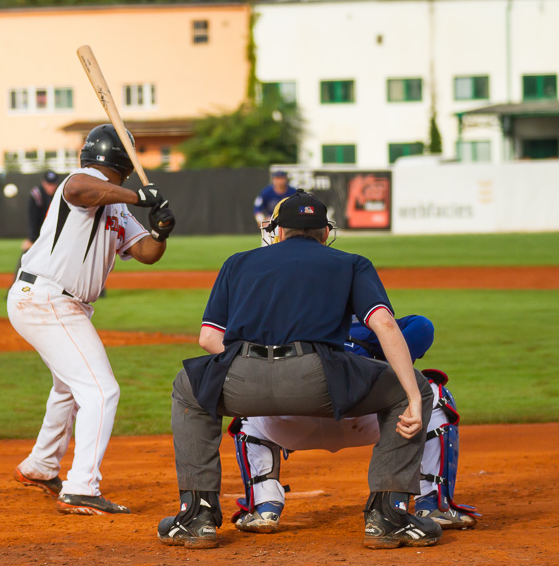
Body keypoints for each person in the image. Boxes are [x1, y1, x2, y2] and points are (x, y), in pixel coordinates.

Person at [157, 191, 441, 550]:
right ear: (325, 232)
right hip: (318, 378)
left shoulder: (238, 261)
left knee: (188, 387)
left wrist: (252, 366)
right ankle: (389, 516)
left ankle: (196, 516)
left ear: (278, 232)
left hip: (243, 377)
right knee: (411, 387)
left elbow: (208, 338)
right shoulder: (350, 262)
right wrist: (413, 397)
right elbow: (384, 323)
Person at [7, 124, 176, 515]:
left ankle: (41, 465)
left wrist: (160, 230)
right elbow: (78, 189)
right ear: (124, 160)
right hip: (47, 298)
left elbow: (147, 252)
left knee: (68, 389)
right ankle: (81, 486)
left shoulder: (115, 204)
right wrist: (139, 196)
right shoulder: (88, 183)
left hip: (54, 303)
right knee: (101, 391)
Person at [230, 315, 479, 535]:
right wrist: (384, 356)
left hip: (295, 423)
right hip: (369, 418)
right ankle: (433, 504)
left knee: (250, 401)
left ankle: (263, 506)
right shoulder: (372, 325)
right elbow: (422, 328)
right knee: (433, 394)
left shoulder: (278, 323)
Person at [11, 170, 60, 282]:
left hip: (55, 234)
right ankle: (14, 286)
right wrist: (31, 238)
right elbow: (33, 218)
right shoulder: (37, 194)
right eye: (49, 183)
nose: (51, 187)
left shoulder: (60, 194)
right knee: (26, 258)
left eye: (53, 184)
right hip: (38, 235)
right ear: (43, 183)